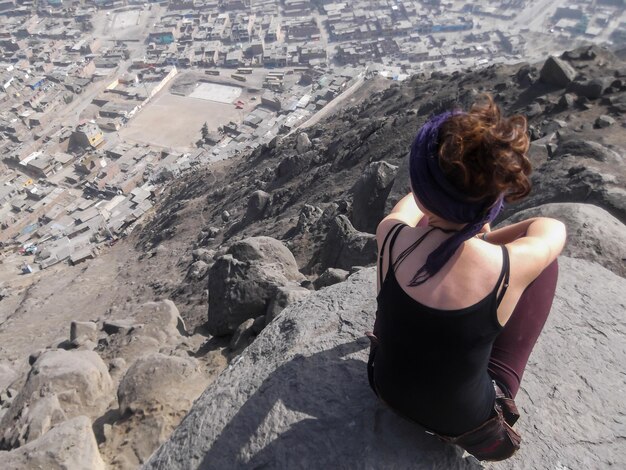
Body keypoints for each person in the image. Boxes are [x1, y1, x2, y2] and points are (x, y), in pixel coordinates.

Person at [367, 95, 566, 461]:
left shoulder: (390, 235)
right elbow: (551, 228)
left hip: (383, 386)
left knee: (415, 247)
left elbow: (410, 208)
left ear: (424, 189)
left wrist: (443, 201)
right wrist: (482, 236)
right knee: (545, 266)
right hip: (464, 422)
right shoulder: (509, 267)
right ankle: (501, 390)